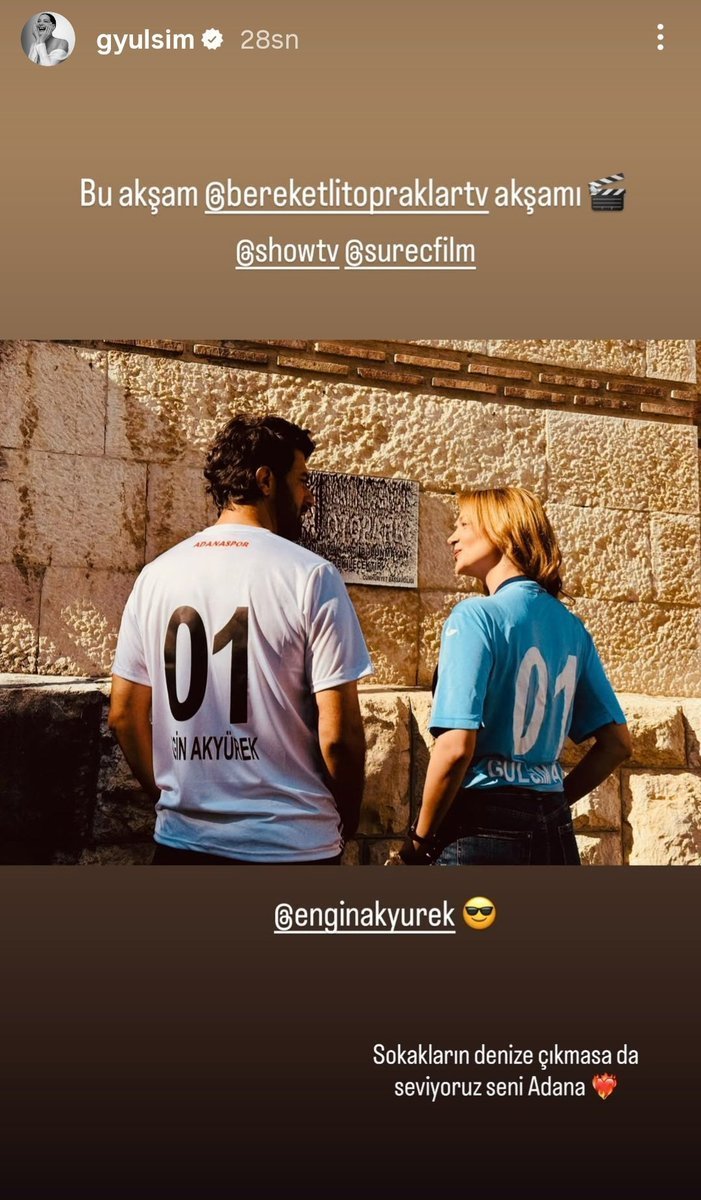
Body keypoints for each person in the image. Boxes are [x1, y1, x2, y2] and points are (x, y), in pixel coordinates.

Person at [109, 414, 372, 864]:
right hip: (290, 847)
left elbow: (123, 714)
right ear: (266, 480)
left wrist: (174, 802)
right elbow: (340, 737)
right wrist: (346, 818)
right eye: (302, 480)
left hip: (183, 846)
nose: (309, 497)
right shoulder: (311, 575)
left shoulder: (156, 576)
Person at [388, 486, 631, 866]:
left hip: (481, 825)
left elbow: (455, 748)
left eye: (463, 524)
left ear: (502, 531)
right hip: (554, 827)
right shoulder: (572, 628)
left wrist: (417, 843)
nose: (451, 537)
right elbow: (617, 745)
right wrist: (553, 804)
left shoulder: (475, 617)